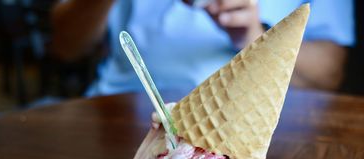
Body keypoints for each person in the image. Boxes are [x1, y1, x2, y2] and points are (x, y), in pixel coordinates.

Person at [51, 0, 355, 96]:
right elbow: (65, 47)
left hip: (258, 136)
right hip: (118, 115)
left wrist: (252, 36)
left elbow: (328, 76)